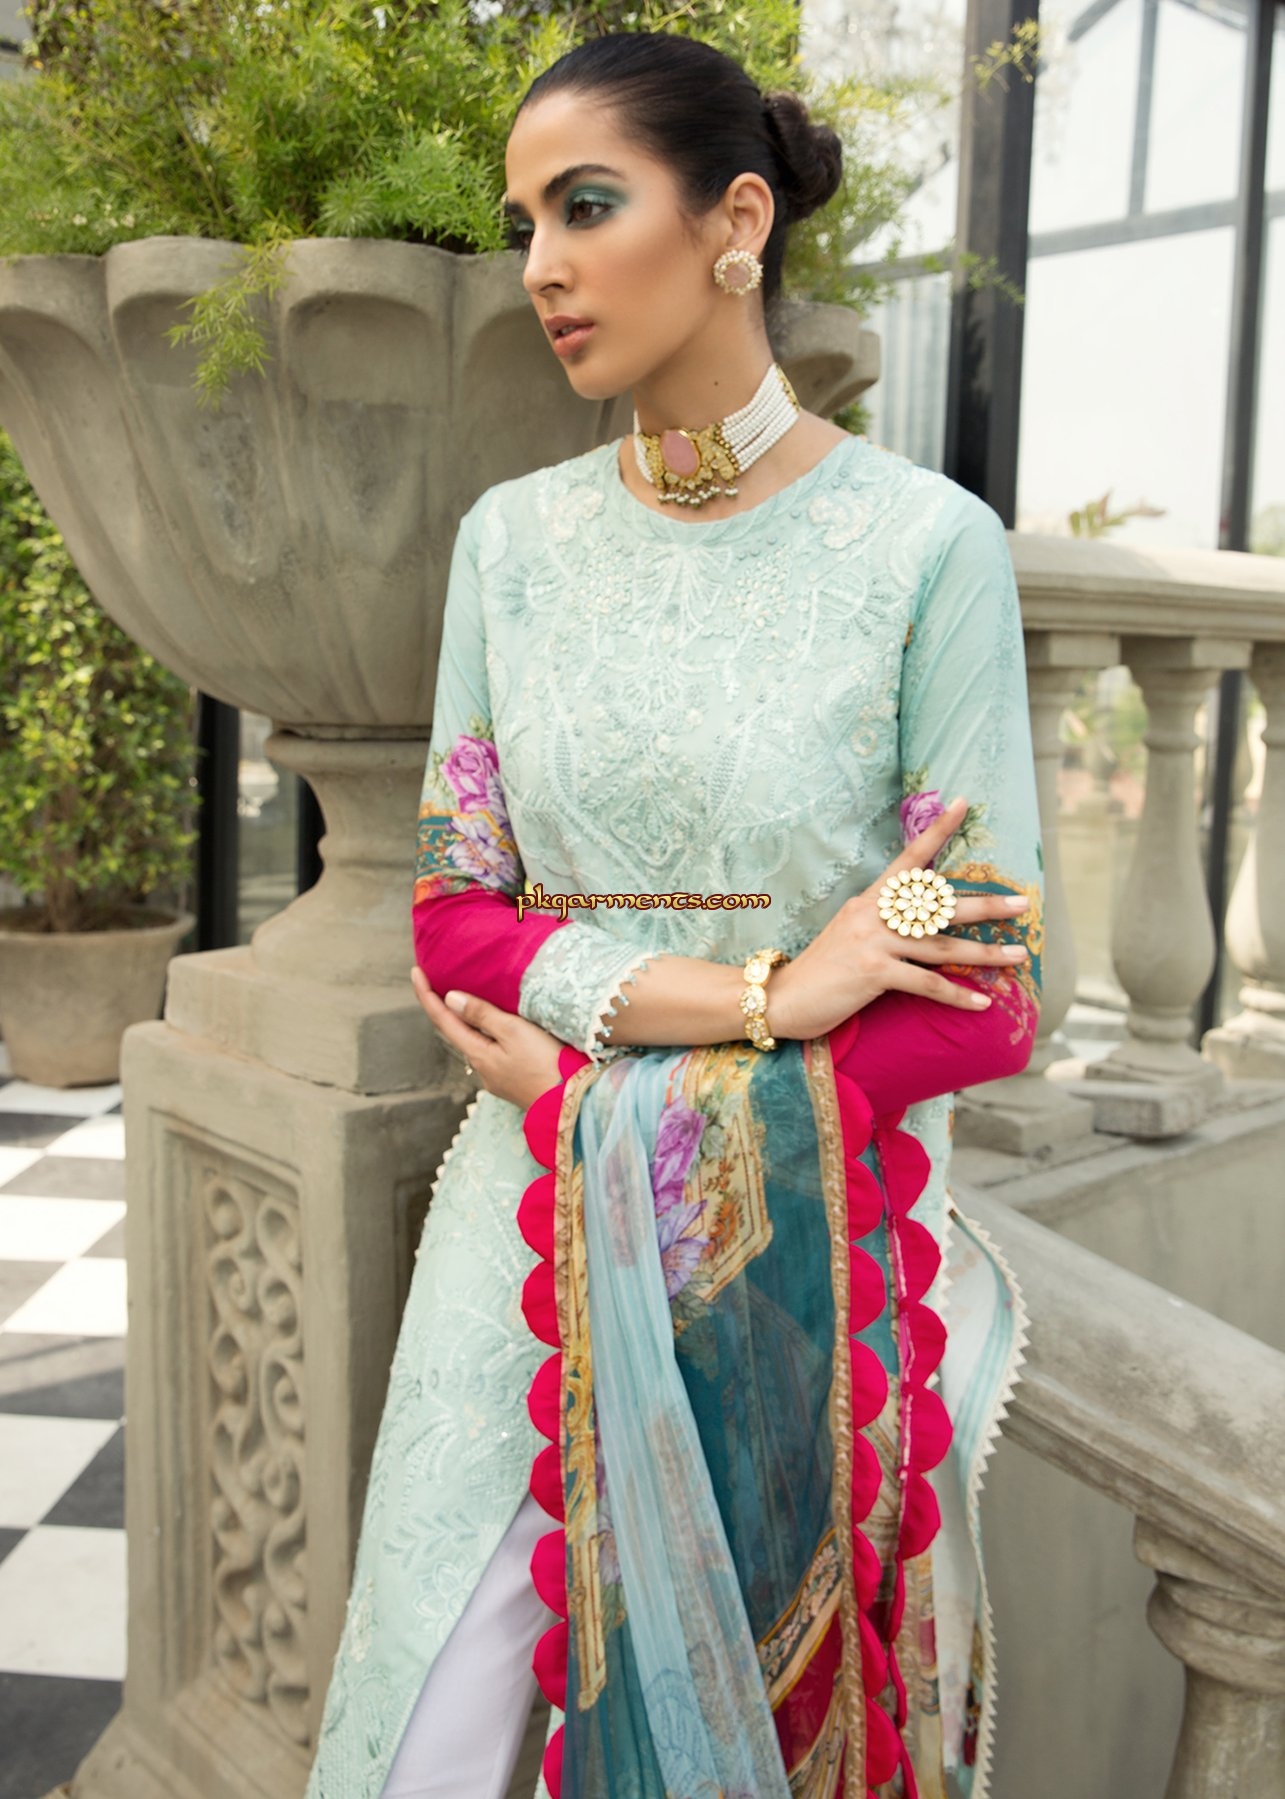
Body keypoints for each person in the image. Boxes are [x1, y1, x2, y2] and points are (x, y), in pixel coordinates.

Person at [304, 29, 1042, 1799]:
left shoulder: (924, 547)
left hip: (804, 1250)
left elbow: (981, 978)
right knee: (428, 1728)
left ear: (735, 221)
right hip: (526, 1221)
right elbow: (458, 916)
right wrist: (769, 998)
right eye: (524, 226)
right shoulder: (511, 544)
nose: (540, 268)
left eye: (584, 207)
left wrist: (603, 1109)